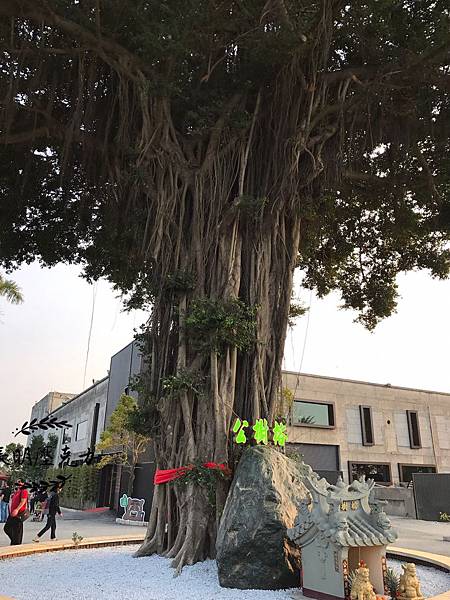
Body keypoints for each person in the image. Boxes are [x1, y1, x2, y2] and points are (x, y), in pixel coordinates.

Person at [3, 480, 29, 545]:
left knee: (17, 531)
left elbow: (23, 501)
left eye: (19, 481)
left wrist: (17, 509)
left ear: (23, 483)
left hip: (18, 514)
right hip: (12, 514)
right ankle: (14, 541)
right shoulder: (18, 491)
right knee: (7, 528)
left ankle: (16, 544)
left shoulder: (24, 490)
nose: (18, 483)